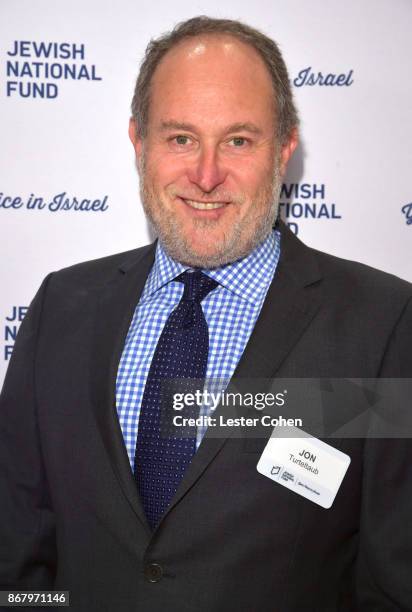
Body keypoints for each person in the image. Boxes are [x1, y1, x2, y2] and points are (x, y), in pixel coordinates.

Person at [0, 15, 411, 612]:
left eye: (239, 140)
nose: (207, 174)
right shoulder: (62, 309)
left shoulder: (383, 326)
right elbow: (17, 554)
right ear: (140, 142)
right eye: (181, 138)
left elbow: (394, 585)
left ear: (285, 149)